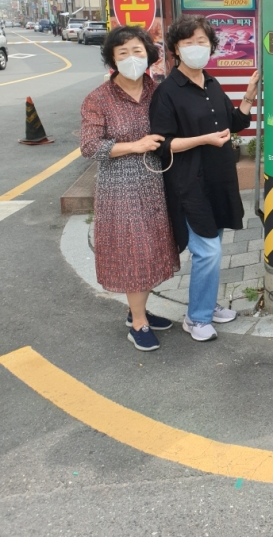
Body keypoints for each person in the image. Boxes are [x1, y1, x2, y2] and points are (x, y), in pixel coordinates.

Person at [149, 15, 260, 343]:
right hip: (188, 183)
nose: (196, 48)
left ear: (211, 47)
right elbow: (162, 145)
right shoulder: (167, 92)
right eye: (188, 42)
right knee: (207, 251)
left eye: (202, 42)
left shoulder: (211, 84)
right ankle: (195, 318)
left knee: (214, 246)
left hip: (218, 179)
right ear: (175, 49)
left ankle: (207, 307)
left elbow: (235, 122)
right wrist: (204, 140)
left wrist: (250, 94)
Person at [80, 26, 180, 352]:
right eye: (122, 52)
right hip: (120, 188)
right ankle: (138, 323)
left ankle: (138, 311)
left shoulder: (158, 91)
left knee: (151, 251)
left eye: (137, 51)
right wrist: (135, 145)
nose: (131, 58)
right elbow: (90, 146)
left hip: (155, 185)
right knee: (133, 253)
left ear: (149, 55)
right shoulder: (98, 99)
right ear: (111, 58)